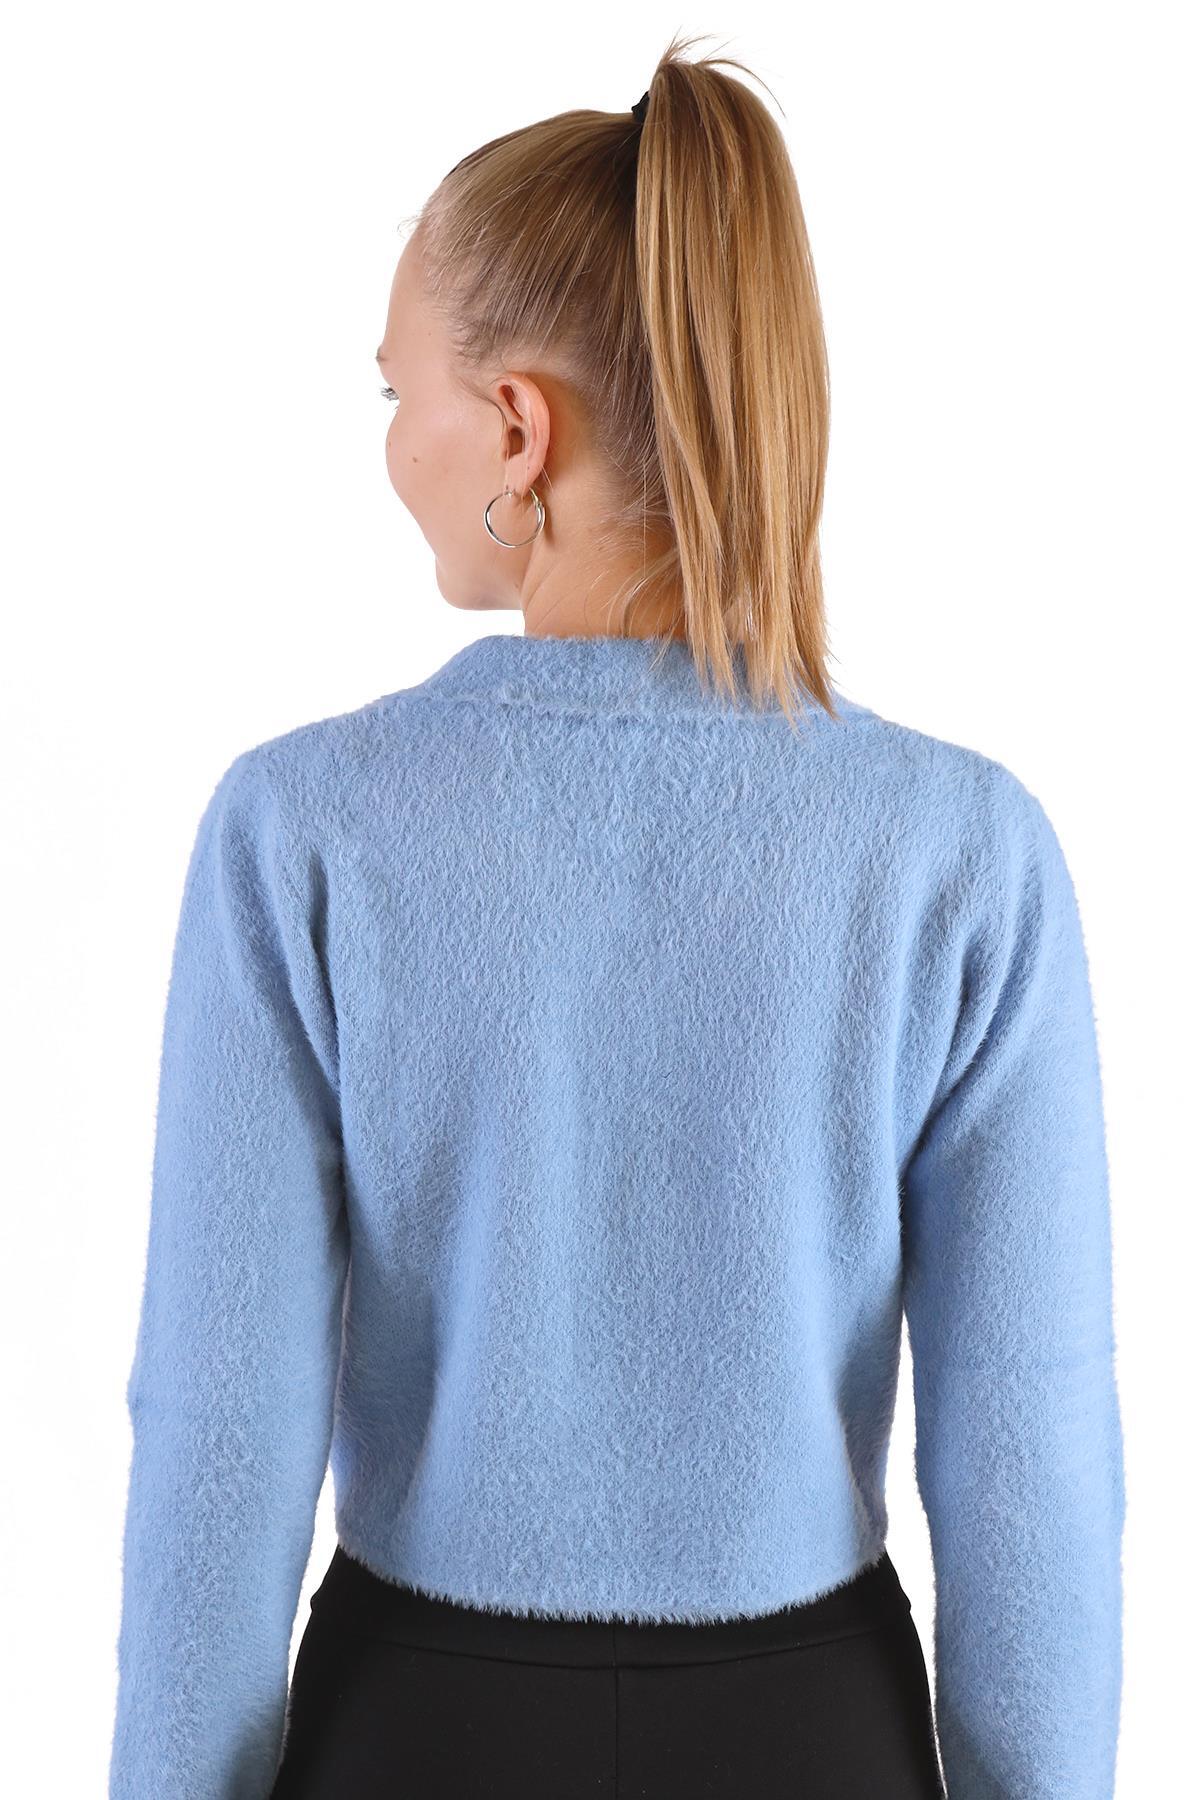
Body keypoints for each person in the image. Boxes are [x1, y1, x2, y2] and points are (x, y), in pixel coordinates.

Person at [107, 31, 1126, 1800]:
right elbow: (1030, 1456)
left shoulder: (301, 830)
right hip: (812, 1731)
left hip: (419, 1727)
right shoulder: (963, 850)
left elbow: (220, 1431)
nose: (393, 446)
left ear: (517, 429)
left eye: (395, 395)